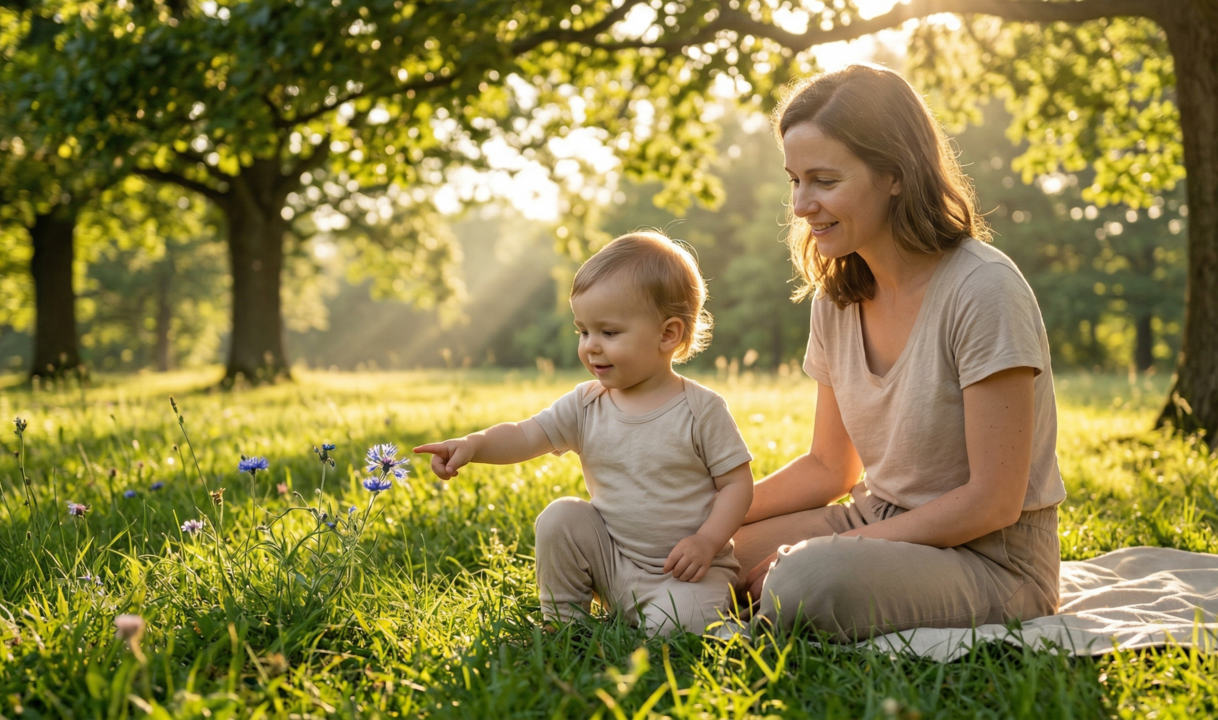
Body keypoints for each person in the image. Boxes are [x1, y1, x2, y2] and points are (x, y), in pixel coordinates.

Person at [734, 64, 1066, 642]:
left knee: (806, 578)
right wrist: (707, 517)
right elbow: (829, 468)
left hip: (992, 561)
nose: (801, 205)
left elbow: (992, 503)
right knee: (692, 556)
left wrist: (826, 550)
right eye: (795, 180)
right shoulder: (835, 298)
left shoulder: (984, 289)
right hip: (873, 518)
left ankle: (808, 571)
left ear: (894, 175)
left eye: (824, 180)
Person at [416, 232, 754, 635]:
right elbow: (526, 435)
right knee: (560, 517)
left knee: (679, 626)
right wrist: (473, 445)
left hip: (685, 572)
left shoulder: (701, 409)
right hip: (613, 563)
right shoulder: (586, 403)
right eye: (583, 331)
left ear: (668, 334)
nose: (591, 347)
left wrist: (707, 541)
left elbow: (737, 484)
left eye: (608, 333)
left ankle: (723, 633)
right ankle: (564, 623)